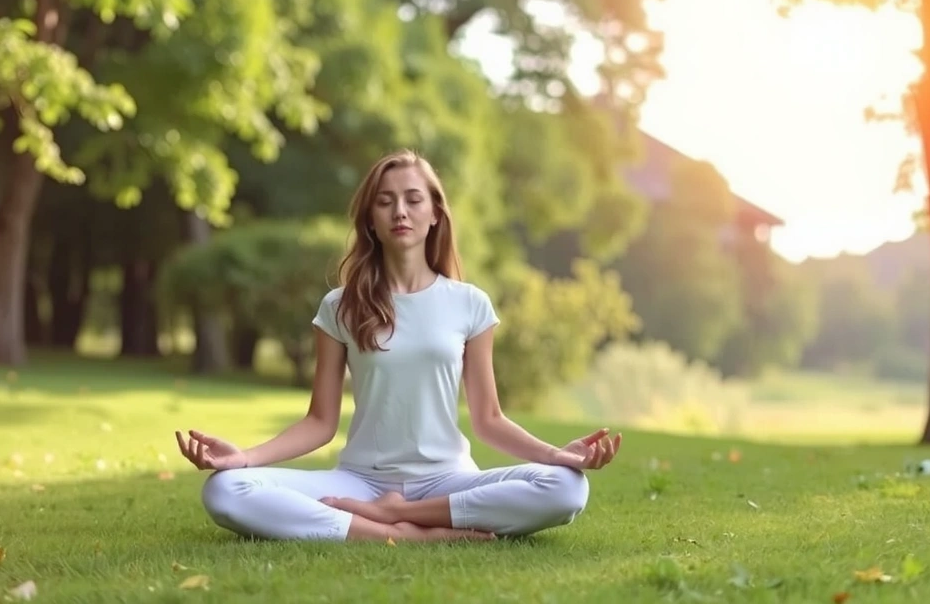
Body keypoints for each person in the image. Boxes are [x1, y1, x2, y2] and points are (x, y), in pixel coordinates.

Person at [175, 149, 622, 543]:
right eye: (385, 201)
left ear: (434, 214)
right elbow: (319, 421)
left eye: (413, 199)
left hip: (447, 480)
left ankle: (401, 516)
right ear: (371, 218)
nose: (400, 212)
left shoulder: (469, 303)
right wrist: (245, 458)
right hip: (359, 482)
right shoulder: (340, 306)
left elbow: (488, 420)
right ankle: (401, 535)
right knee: (225, 490)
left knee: (568, 487)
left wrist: (555, 455)